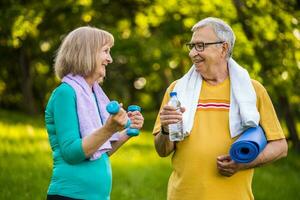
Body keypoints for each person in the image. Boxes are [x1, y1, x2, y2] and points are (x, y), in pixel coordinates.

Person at [153, 17, 288, 200]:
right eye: (191, 46)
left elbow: (280, 146)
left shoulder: (253, 90)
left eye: (200, 46)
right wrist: (166, 130)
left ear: (223, 48)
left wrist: (242, 164)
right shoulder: (176, 91)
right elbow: (162, 150)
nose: (193, 53)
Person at [45, 26, 144, 200]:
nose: (110, 59)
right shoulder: (65, 93)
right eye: (106, 51)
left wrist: (126, 131)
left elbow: (99, 150)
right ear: (87, 53)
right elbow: (72, 153)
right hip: (69, 196)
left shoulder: (93, 96)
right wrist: (109, 128)